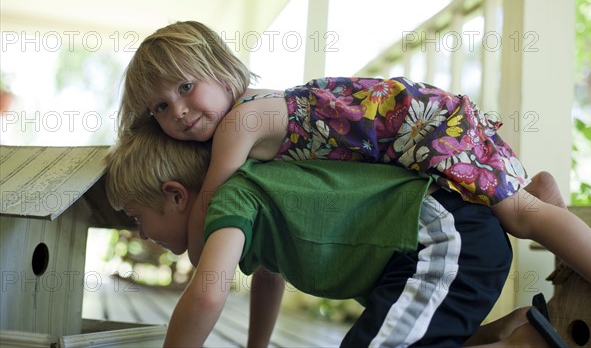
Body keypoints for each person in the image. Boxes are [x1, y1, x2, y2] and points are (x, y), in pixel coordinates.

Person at [119, 20, 591, 292]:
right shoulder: (249, 114)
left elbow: (208, 199)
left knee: (520, 217)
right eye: (161, 106)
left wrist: (200, 263)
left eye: (186, 87)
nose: (179, 111)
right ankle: (538, 189)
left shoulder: (238, 126)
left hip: (419, 126)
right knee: (515, 206)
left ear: (221, 70)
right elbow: (270, 263)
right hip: (415, 128)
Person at [104, 121, 565, 347]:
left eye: (137, 217)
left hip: (441, 240)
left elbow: (207, 294)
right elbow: (269, 273)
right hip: (429, 253)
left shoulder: (228, 198)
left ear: (176, 195)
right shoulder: (253, 192)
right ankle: (516, 332)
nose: (142, 235)